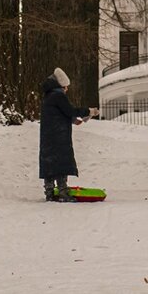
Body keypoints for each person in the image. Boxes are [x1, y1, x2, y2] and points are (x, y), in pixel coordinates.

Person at [38, 67, 99, 202]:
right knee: (61, 161)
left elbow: (58, 113)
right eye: (66, 86)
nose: (67, 89)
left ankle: (49, 191)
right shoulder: (58, 95)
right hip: (59, 135)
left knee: (50, 161)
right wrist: (89, 111)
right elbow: (70, 110)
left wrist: (73, 121)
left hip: (48, 135)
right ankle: (63, 191)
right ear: (60, 85)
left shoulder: (48, 96)